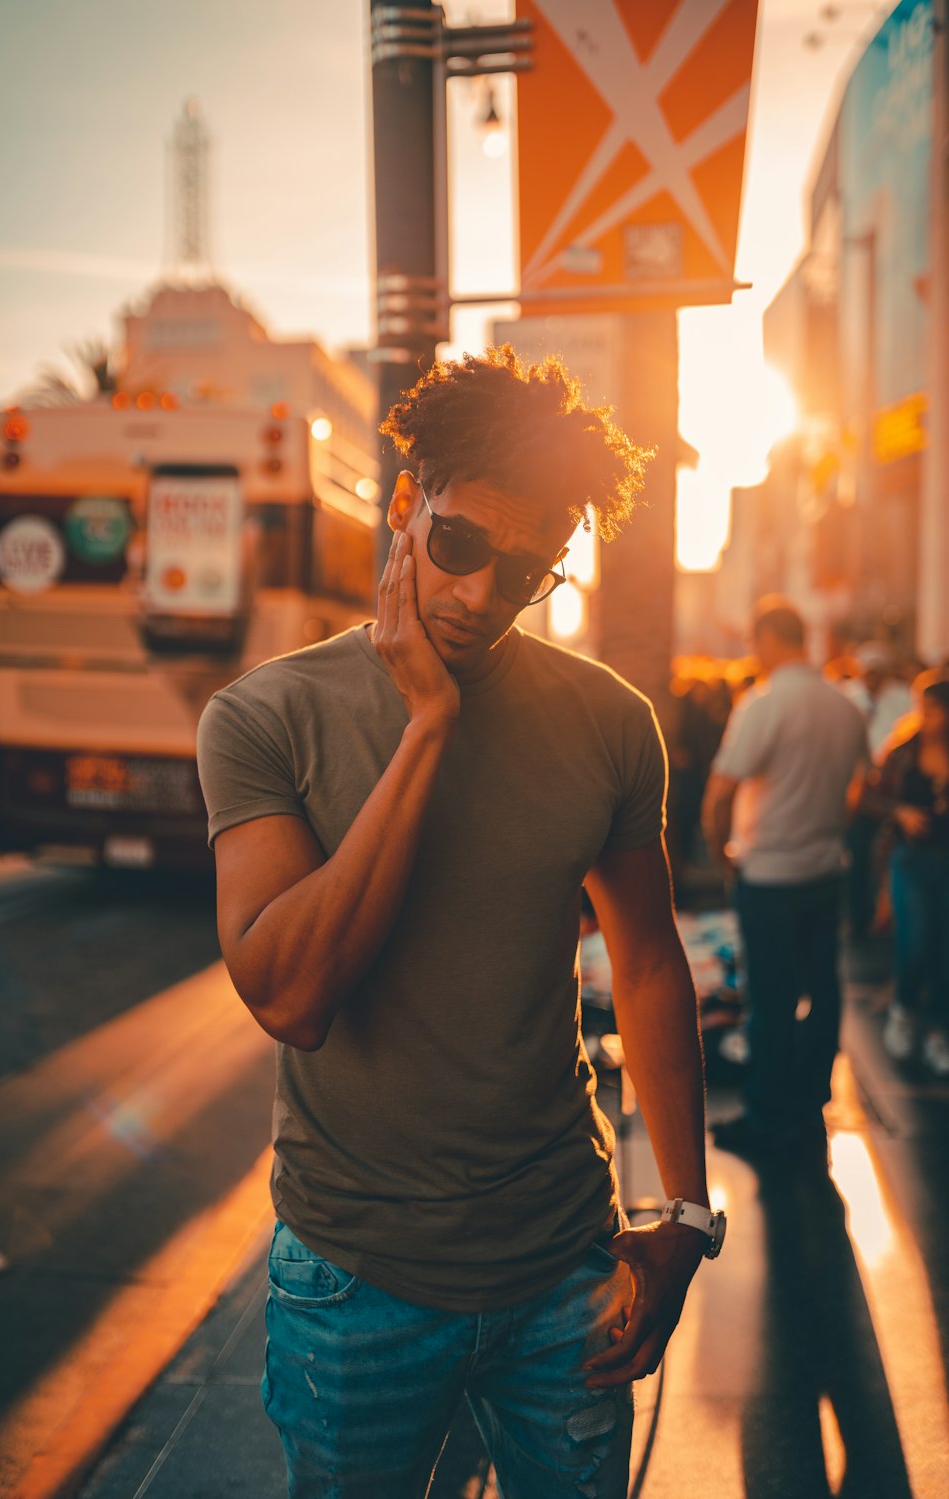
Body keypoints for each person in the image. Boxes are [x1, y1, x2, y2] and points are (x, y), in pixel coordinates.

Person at [197, 347, 725, 1499]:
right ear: (403, 505)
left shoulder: (607, 722)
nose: (483, 594)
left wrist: (682, 1210)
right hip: (355, 1278)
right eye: (460, 545)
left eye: (528, 569)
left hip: (563, 1263)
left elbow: (644, 961)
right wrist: (426, 726)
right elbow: (289, 995)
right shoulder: (263, 717)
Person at [701, 597, 869, 1157]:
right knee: (823, 989)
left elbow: (722, 789)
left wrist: (722, 854)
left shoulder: (764, 703)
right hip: (823, 870)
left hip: (769, 872)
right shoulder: (845, 706)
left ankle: (770, 1114)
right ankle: (808, 1101)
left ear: (771, 639)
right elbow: (857, 788)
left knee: (770, 995)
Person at [864, 673, 949, 1077]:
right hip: (910, 858)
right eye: (924, 708)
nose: (926, 717)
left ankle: (937, 1030)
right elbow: (870, 795)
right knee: (914, 939)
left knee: (944, 947)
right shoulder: (903, 750)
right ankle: (904, 1010)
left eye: (934, 710)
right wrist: (902, 812)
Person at [840, 643, 913, 938]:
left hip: (891, 789)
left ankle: (891, 917)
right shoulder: (847, 698)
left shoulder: (902, 699)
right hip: (859, 791)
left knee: (889, 856)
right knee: (856, 854)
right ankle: (859, 917)